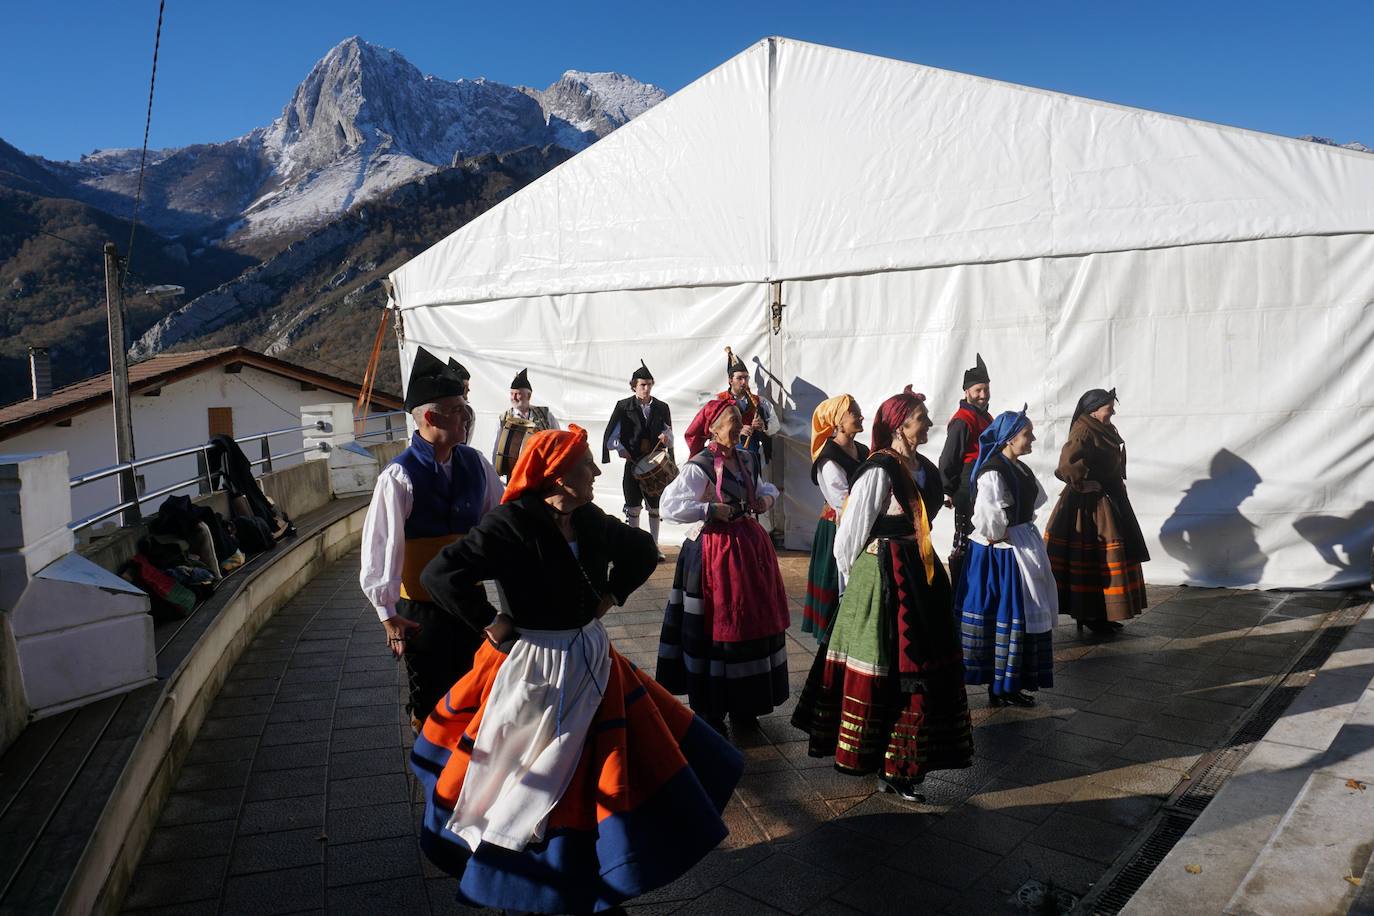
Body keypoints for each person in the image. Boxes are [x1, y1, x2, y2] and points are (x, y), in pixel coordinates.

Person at [412, 426, 743, 915]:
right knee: (528, 773)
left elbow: (642, 550)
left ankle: (588, 870)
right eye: (586, 464)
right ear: (557, 475)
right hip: (535, 666)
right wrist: (491, 621)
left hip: (590, 656)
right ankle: (529, 876)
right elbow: (439, 574)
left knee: (594, 769)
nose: (596, 471)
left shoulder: (586, 517)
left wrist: (611, 594)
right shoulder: (509, 522)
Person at [791, 387, 973, 802]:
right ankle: (887, 765)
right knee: (891, 670)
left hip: (921, 574)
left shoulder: (922, 468)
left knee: (921, 669)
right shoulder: (878, 471)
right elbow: (849, 536)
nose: (928, 423)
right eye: (921, 417)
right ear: (899, 425)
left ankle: (906, 761)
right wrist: (857, 593)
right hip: (883, 575)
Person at [359, 347, 504, 731]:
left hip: (470, 604)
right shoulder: (399, 477)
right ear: (430, 416)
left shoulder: (477, 464)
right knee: (431, 702)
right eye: (458, 409)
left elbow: (501, 522)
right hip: (421, 612)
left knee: (476, 695)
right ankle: (434, 772)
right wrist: (388, 616)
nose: (466, 417)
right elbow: (381, 549)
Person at [656, 399, 791, 736]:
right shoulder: (699, 465)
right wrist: (708, 510)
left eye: (737, 419)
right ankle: (711, 708)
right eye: (730, 420)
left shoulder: (747, 457)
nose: (737, 424)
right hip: (713, 555)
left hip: (748, 551)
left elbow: (765, 488)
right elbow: (670, 506)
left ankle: (746, 706)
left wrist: (766, 500)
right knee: (716, 627)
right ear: (713, 429)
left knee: (750, 624)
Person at [955, 406, 1057, 708]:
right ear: (1010, 439)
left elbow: (1035, 499)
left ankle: (1011, 682)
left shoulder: (1020, 469)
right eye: (1027, 434)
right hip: (1001, 554)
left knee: (1020, 615)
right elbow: (989, 520)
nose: (1033, 439)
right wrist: (1006, 531)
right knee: (1007, 615)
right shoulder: (993, 472)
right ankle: (1001, 685)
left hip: (1019, 542)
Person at [1044, 389, 1150, 634]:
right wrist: (1081, 483)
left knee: (1106, 561)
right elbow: (1066, 466)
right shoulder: (1084, 430)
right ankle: (1089, 614)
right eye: (1108, 407)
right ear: (1094, 410)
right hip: (1090, 508)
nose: (1112, 411)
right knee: (1093, 559)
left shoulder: (1103, 428)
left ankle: (1103, 613)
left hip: (1110, 499)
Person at [800, 394, 869, 642]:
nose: (860, 416)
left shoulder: (862, 450)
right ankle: (833, 638)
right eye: (854, 413)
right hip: (838, 527)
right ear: (838, 421)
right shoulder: (829, 458)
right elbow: (843, 500)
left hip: (863, 524)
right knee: (835, 581)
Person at [602, 360, 674, 560]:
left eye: (649, 384)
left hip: (654, 465)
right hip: (633, 464)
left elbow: (670, 435)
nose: (646, 388)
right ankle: (633, 547)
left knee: (654, 507)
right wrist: (621, 449)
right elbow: (611, 438)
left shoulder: (661, 407)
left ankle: (654, 547)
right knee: (633, 506)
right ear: (634, 385)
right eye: (642, 384)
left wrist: (666, 439)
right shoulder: (624, 406)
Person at [939, 354, 993, 580]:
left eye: (985, 389)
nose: (982, 395)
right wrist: (947, 490)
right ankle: (960, 590)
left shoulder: (986, 416)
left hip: (983, 485)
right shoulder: (963, 420)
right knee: (966, 539)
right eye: (978, 390)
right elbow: (949, 458)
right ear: (967, 392)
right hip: (966, 487)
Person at [685, 347, 781, 460]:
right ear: (731, 380)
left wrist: (763, 426)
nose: (744, 382)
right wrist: (737, 429)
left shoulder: (760, 401)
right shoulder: (718, 401)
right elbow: (708, 429)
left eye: (746, 378)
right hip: (724, 454)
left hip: (751, 454)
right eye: (740, 378)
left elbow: (775, 426)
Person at [491, 367, 560, 479]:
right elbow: (496, 448)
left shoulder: (546, 414)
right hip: (514, 473)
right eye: (511, 394)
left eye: (517, 394)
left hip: (541, 472)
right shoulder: (503, 418)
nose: (513, 397)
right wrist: (495, 474)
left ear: (529, 396)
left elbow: (557, 439)